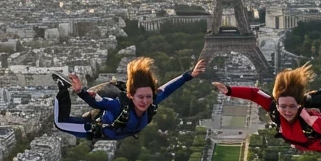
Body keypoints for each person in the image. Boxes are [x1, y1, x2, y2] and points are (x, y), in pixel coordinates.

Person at [213, 62, 321, 153]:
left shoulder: (307, 114)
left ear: (299, 105)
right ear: (277, 103)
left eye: (292, 107)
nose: (287, 111)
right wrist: (229, 91)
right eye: (283, 106)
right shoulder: (274, 108)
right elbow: (255, 94)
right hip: (307, 143)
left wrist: (307, 116)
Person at [53, 56, 206, 140]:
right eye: (140, 97)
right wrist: (80, 91)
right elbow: (98, 102)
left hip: (118, 131)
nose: (145, 101)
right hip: (97, 129)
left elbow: (167, 89)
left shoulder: (152, 102)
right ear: (131, 96)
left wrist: (189, 75)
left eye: (148, 96)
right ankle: (63, 88)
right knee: (60, 123)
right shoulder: (119, 105)